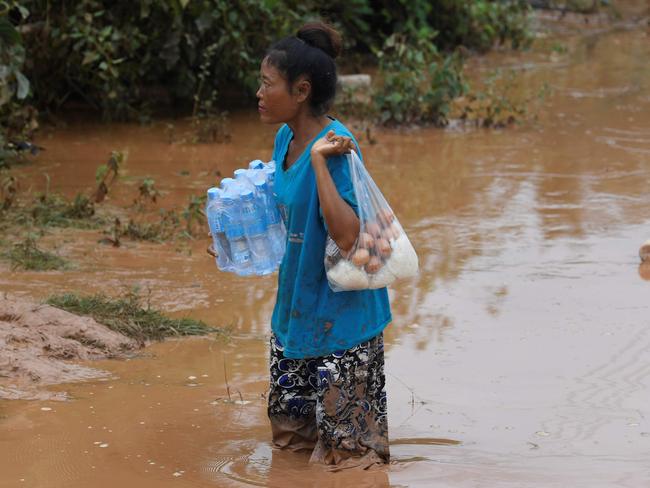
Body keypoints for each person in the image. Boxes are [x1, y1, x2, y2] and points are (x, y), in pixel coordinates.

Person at [209, 22, 392, 469]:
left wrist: (321, 164)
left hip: (343, 331)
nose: (258, 92)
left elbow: (349, 238)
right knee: (288, 449)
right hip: (293, 320)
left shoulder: (337, 147)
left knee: (353, 462)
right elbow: (287, 213)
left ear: (301, 90)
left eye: (267, 83)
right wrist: (231, 238)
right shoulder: (284, 137)